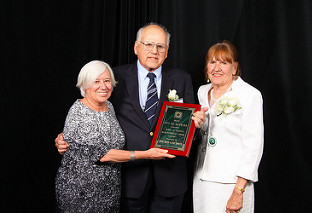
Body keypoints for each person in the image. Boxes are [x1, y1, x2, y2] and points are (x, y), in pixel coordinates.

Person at [55, 23, 207, 213]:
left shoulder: (181, 78)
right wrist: (68, 137)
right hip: (130, 179)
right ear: (136, 47)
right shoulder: (114, 77)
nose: (154, 51)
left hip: (170, 178)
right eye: (148, 44)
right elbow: (92, 109)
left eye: (160, 46)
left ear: (167, 52)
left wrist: (195, 126)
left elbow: (189, 127)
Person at [55, 60, 175, 213]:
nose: (103, 86)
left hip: (109, 190)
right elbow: (104, 154)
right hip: (81, 192)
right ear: (84, 85)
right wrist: (147, 154)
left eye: (106, 81)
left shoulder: (108, 106)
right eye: (96, 81)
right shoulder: (79, 113)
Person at [193, 41, 264, 213]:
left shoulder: (249, 95)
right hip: (201, 178)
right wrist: (196, 125)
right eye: (212, 62)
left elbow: (253, 147)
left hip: (231, 182)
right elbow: (205, 133)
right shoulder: (203, 91)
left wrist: (239, 190)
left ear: (235, 67)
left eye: (224, 63)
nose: (216, 68)